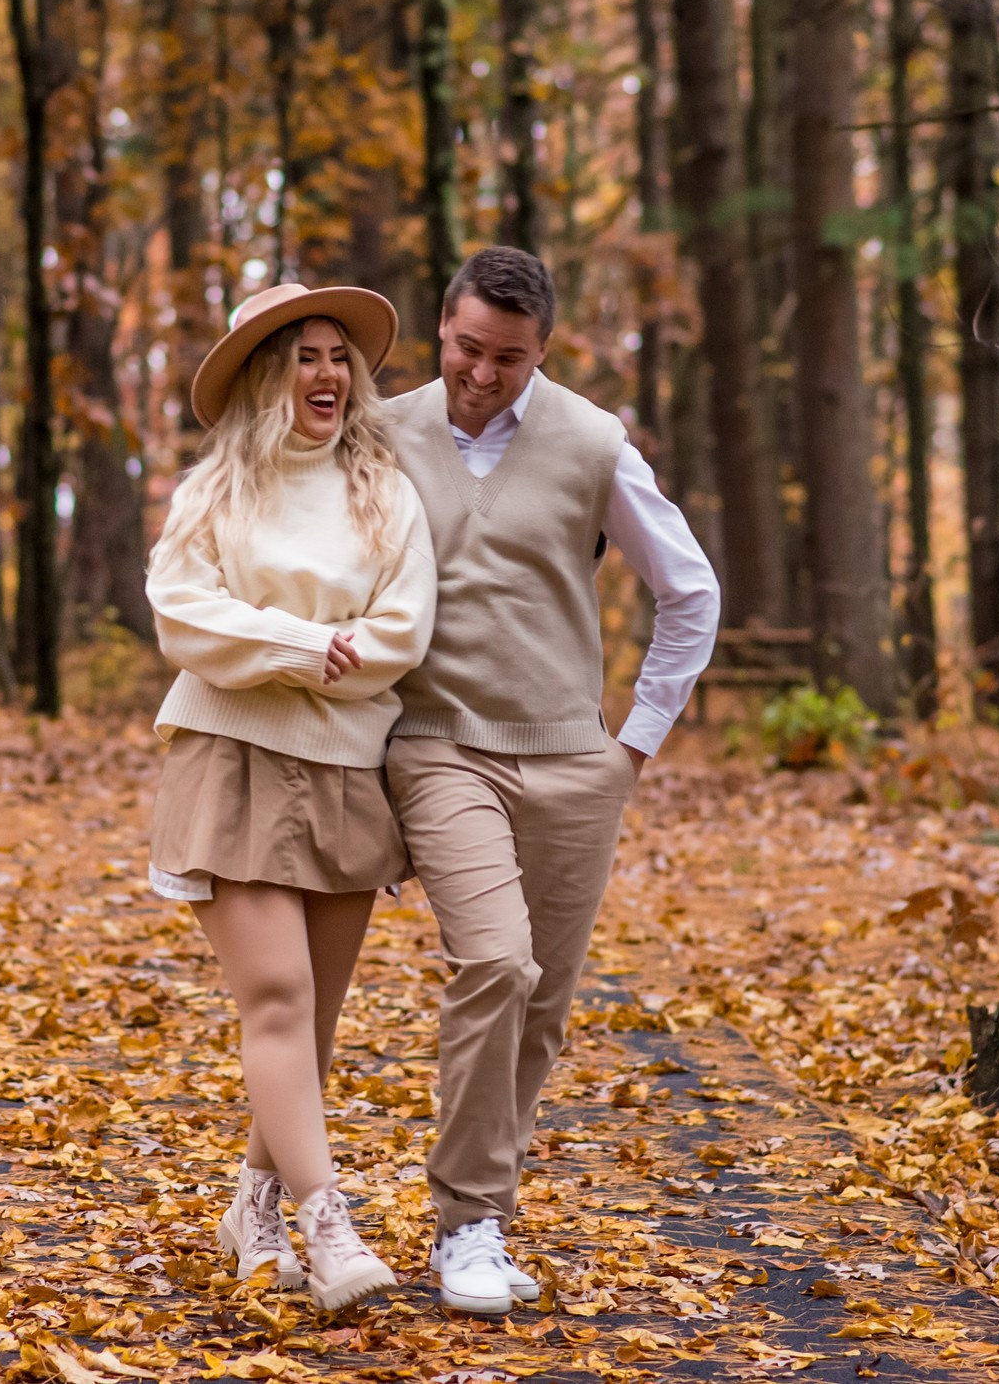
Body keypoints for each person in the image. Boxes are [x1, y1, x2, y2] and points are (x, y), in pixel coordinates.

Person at [384, 247, 720, 1315]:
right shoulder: (381, 435)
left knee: (542, 1005)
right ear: (442, 329)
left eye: (510, 359)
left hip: (576, 760)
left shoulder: (591, 442)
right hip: (438, 745)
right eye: (467, 349)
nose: (482, 374)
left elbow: (689, 590)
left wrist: (634, 743)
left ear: (543, 352)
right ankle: (464, 1221)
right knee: (495, 961)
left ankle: (480, 1218)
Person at [144, 282, 439, 1312]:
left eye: (337, 355)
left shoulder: (384, 493)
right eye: (304, 355)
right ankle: (328, 1223)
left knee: (312, 1025)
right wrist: (304, 644)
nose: (327, 373)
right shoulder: (213, 494)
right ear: (266, 374)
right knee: (274, 998)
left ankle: (252, 1207)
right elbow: (184, 618)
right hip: (231, 757)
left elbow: (401, 632)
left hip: (350, 771)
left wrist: (303, 656)